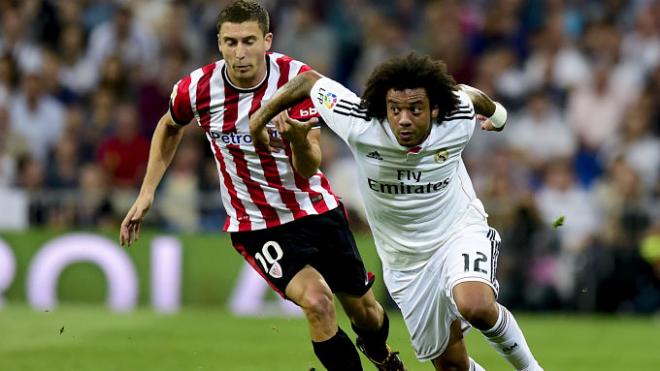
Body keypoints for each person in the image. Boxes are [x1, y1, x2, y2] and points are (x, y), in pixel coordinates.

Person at [118, 2, 405, 370]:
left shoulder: (297, 80)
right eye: (231, 42)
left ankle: (381, 354)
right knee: (317, 302)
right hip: (257, 225)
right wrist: (147, 193)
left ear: (267, 41)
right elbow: (169, 125)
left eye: (249, 41)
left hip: (314, 208)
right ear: (219, 44)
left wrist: (298, 139)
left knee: (366, 312)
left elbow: (308, 167)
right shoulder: (196, 88)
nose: (240, 53)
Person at [250, 52, 544, 371]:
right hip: (406, 264)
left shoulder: (455, 115)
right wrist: (259, 118)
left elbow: (472, 96)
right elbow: (308, 82)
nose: (403, 119)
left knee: (475, 304)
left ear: (434, 108)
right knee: (451, 366)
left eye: (415, 109)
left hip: (458, 232)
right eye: (395, 109)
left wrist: (498, 115)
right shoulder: (359, 121)